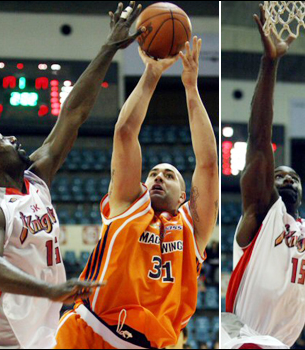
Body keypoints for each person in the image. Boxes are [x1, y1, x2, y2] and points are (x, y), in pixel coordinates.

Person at [0, 1, 143, 347]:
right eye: (2, 140)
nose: (13, 139)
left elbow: (73, 113)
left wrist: (109, 49)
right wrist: (51, 290)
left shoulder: (35, 179)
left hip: (36, 331)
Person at [54, 29, 218, 349]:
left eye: (169, 176)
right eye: (154, 173)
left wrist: (191, 87)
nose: (157, 177)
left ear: (183, 197)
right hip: (89, 332)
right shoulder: (130, 204)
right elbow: (126, 132)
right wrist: (152, 72)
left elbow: (209, 163)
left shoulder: (192, 227)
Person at [222, 6, 305, 349]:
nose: (286, 180)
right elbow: (258, 138)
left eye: (293, 177)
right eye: (278, 175)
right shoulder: (262, 213)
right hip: (245, 337)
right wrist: (270, 64)